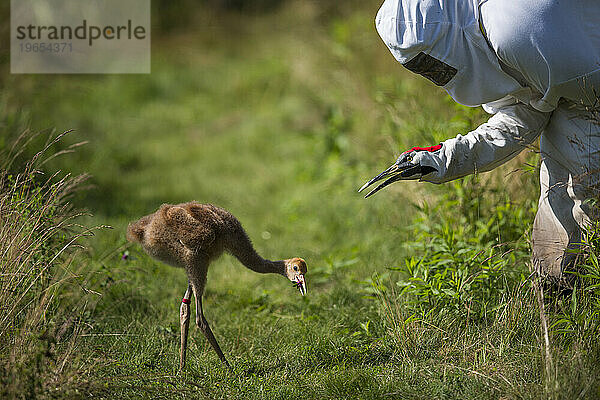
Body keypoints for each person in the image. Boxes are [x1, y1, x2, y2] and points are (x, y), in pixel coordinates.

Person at [359, 0, 600, 287]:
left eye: (427, 62)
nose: (433, 71)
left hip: (590, 82)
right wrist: (442, 159)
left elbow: (546, 106)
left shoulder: (514, 33)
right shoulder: (491, 32)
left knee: (582, 186)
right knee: (565, 196)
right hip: (579, 81)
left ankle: (573, 305)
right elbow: (524, 113)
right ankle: (559, 301)